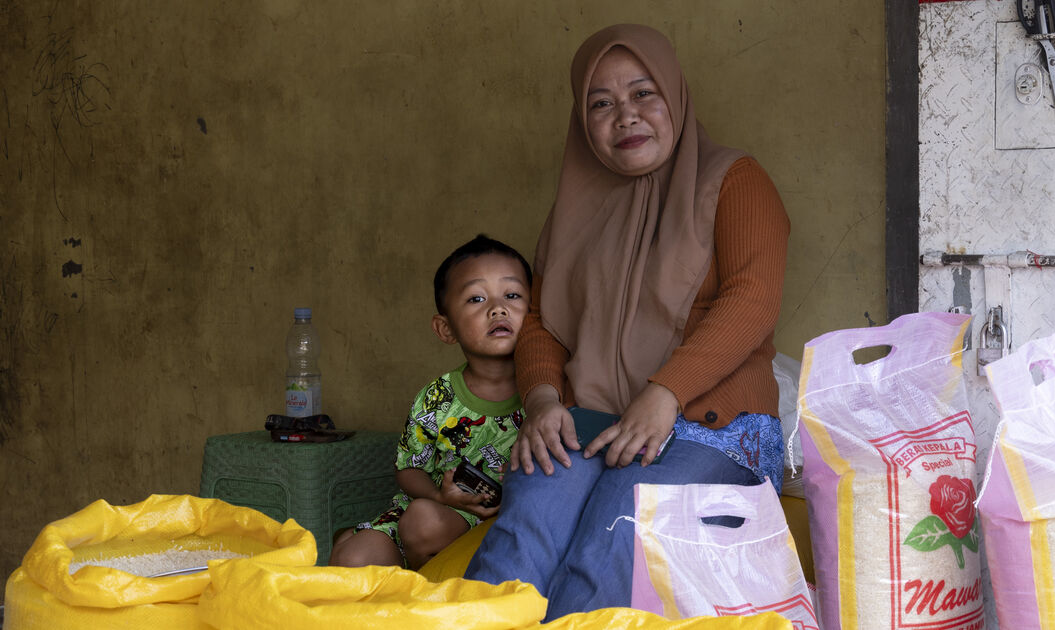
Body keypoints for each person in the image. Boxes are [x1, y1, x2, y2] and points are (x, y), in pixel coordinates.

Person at [465, 24, 790, 619]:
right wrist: (541, 400)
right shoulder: (574, 208)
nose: (626, 116)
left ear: (674, 95)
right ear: (582, 121)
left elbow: (752, 300)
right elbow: (542, 317)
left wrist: (664, 394)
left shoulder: (735, 181)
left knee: (620, 521)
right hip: (591, 418)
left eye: (644, 94)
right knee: (531, 514)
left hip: (712, 424)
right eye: (601, 103)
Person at [329, 234, 532, 569]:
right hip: (438, 510)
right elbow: (409, 468)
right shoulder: (437, 397)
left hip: (503, 525)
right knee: (352, 558)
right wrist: (441, 496)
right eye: (476, 298)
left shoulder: (543, 393)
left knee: (422, 522)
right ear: (445, 328)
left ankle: (429, 602)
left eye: (512, 295)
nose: (498, 308)